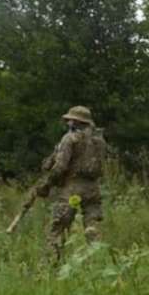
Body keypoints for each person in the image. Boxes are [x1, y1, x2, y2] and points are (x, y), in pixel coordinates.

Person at [38, 106, 106, 261]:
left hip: (71, 189)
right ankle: (98, 263)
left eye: (69, 120)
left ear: (75, 122)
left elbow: (60, 167)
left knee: (58, 230)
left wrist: (47, 185)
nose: (67, 122)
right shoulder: (99, 141)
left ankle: (50, 267)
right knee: (92, 231)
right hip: (93, 189)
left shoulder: (70, 139)